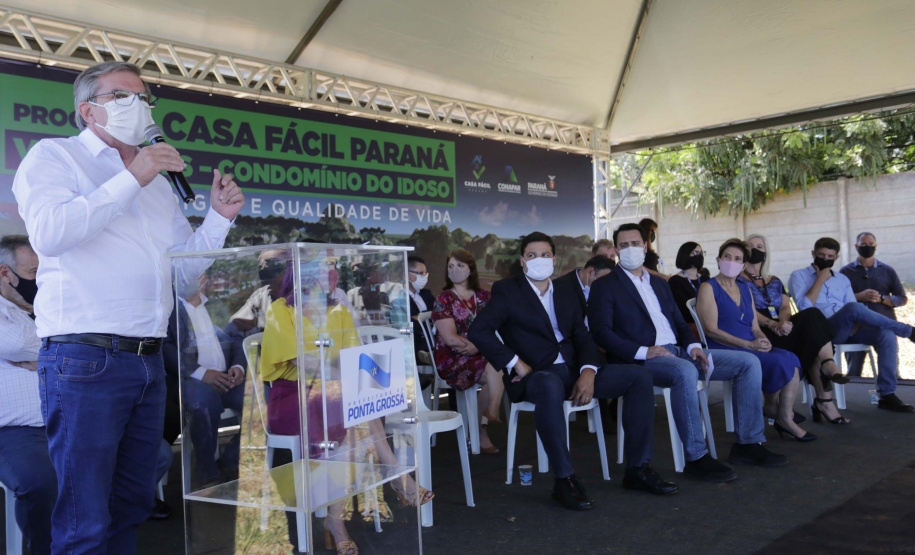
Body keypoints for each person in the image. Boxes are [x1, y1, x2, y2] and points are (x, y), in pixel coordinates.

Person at [12, 61, 244, 553]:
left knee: (132, 504)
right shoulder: (55, 157)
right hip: (84, 358)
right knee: (84, 515)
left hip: (147, 361)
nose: (137, 106)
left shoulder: (159, 185)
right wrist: (132, 176)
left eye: (143, 98)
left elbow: (183, 274)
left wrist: (219, 221)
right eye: (122, 97)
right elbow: (51, 233)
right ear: (87, 109)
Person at [469, 231, 678, 511]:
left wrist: (589, 372)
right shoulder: (508, 291)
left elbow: (583, 337)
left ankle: (638, 470)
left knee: (639, 377)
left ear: (554, 260)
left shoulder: (565, 290)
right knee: (549, 385)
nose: (539, 260)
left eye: (545, 255)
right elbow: (479, 330)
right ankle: (564, 479)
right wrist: (514, 362)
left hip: (574, 370)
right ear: (522, 261)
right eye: (532, 255)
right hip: (536, 375)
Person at [261, 260, 432, 554]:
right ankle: (394, 470)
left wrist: (357, 376)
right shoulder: (281, 309)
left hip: (336, 394)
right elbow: (299, 363)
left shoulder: (337, 310)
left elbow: (353, 357)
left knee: (356, 421)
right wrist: (347, 379)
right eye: (324, 268)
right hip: (293, 397)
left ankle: (335, 520)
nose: (332, 274)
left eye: (334, 268)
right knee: (356, 404)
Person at [590, 225, 785, 482]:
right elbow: (601, 332)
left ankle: (748, 445)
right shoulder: (605, 285)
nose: (630, 250)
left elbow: (681, 324)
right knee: (684, 371)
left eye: (635, 243)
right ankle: (697, 457)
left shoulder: (659, 284)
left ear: (645, 247)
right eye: (624, 245)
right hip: (640, 359)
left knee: (748, 362)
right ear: (615, 251)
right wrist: (643, 351)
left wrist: (694, 347)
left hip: (680, 351)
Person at [697, 239, 816, 442]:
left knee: (791, 359)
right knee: (778, 361)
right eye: (727, 257)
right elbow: (711, 330)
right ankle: (776, 413)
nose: (731, 262)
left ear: (743, 265)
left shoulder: (744, 289)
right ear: (718, 260)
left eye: (737, 259)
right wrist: (749, 345)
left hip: (749, 345)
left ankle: (784, 416)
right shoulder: (709, 287)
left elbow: (754, 326)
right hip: (726, 348)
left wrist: (762, 339)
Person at [789, 237, 915, 413]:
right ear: (813, 254)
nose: (825, 259)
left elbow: (852, 310)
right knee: (854, 307)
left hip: (845, 329)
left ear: (836, 257)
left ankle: (887, 395)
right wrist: (820, 279)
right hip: (819, 332)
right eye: (821, 255)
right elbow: (804, 308)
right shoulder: (799, 276)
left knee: (885, 334)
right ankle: (907, 330)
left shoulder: (841, 279)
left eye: (830, 256)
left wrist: (855, 325)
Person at [741, 234, 850, 425]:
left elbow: (784, 307)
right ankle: (824, 399)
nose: (755, 250)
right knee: (814, 340)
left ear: (766, 252)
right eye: (750, 246)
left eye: (759, 246)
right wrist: (773, 324)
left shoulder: (773, 280)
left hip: (781, 327)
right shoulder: (738, 281)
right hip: (758, 329)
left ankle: (827, 365)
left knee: (813, 315)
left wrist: (784, 322)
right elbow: (746, 309)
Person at [0, 236, 57, 555]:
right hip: (14, 431)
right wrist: (59, 350)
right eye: (34, 273)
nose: (40, 281)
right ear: (4, 273)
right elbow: (15, 344)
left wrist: (47, 357)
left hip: (63, 420)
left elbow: (82, 345)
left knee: (152, 455)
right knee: (41, 482)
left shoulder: (40, 307)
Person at [163, 275, 246, 487]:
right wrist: (202, 373)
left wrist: (237, 367)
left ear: (203, 279)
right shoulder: (167, 308)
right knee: (204, 403)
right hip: (189, 379)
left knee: (258, 401)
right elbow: (166, 349)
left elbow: (235, 341)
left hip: (225, 377)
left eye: (197, 273)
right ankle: (207, 474)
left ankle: (229, 462)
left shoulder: (216, 305)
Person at [432, 249, 503, 454]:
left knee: (498, 367)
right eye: (450, 266)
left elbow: (497, 326)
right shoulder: (443, 299)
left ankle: (484, 419)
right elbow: (451, 340)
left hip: (480, 354)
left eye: (460, 265)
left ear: (470, 269)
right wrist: (481, 344)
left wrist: (480, 346)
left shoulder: (484, 296)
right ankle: (485, 421)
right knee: (495, 367)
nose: (454, 270)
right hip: (452, 358)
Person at [840, 232, 909, 377]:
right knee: (854, 371)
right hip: (855, 328)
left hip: (884, 326)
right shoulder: (845, 272)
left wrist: (882, 299)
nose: (867, 248)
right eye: (863, 245)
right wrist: (858, 296)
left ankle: (890, 394)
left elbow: (902, 298)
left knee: (892, 370)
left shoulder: (887, 270)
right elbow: (837, 300)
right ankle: (852, 397)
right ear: (856, 246)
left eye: (870, 245)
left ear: (876, 246)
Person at [553, 254, 615, 328]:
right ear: (590, 272)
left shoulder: (600, 291)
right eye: (603, 280)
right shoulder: (561, 288)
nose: (604, 285)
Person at [667, 241, 707, 334]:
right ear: (685, 255)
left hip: (707, 322)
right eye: (696, 253)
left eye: (701, 253)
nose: (699, 256)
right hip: (689, 327)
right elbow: (680, 310)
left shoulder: (706, 279)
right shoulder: (675, 281)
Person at [407, 256, 436, 358]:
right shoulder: (398, 296)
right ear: (406, 274)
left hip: (434, 341)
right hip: (413, 346)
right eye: (420, 274)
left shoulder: (426, 294)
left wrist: (419, 317)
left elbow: (439, 313)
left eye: (425, 274)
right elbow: (407, 323)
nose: (424, 277)